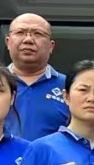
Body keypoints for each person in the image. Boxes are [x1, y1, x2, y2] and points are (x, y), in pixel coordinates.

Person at [5, 12, 69, 140]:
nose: (28, 40)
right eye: (20, 32)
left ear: (51, 46)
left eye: (38, 33)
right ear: (8, 42)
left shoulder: (70, 86)